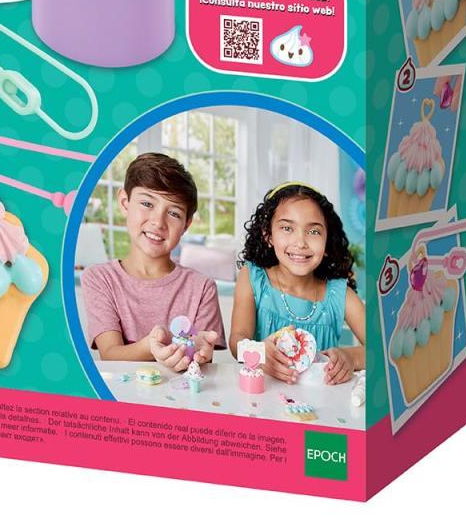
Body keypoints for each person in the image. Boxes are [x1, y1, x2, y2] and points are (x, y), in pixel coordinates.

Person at [82, 153, 225, 371]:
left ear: (186, 225)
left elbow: (202, 361)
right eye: (147, 203)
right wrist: (152, 346)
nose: (158, 222)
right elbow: (109, 354)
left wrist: (201, 350)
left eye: (174, 213)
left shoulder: (202, 287)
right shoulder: (99, 278)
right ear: (124, 202)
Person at [229, 182, 364, 384]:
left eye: (314, 231)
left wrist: (351, 357)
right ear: (268, 235)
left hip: (323, 401)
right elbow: (236, 341)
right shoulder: (252, 277)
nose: (300, 242)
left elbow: (382, 349)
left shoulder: (340, 294)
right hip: (263, 395)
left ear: (327, 241)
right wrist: (257, 351)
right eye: (287, 228)